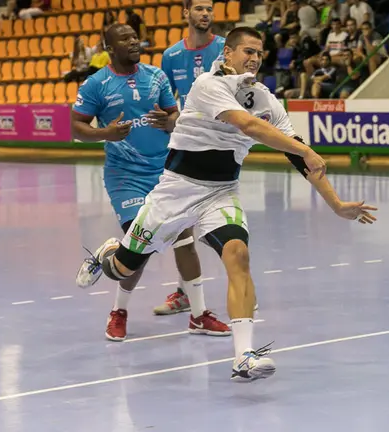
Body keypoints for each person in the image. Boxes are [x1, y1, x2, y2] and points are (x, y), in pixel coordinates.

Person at [78, 26, 378, 381]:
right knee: (123, 268)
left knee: (238, 255)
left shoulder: (266, 98)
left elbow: (298, 158)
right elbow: (247, 126)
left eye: (259, 53)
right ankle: (109, 254)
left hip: (221, 192)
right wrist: (303, 147)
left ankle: (244, 356)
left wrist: (336, 204)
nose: (254, 58)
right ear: (228, 55)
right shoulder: (209, 85)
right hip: (175, 190)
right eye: (247, 51)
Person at [72, 23, 230, 341]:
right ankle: (119, 310)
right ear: (108, 47)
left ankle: (198, 315)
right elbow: (76, 127)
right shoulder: (95, 84)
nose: (134, 41)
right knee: (139, 245)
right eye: (125, 39)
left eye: (134, 37)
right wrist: (105, 133)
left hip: (166, 172)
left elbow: (175, 118)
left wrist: (170, 122)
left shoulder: (155, 76)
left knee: (184, 239)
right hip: (125, 176)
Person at [155, 0, 226, 316]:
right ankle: (185, 292)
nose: (205, 13)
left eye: (209, 8)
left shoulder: (226, 49)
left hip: (221, 146)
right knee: (181, 222)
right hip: (185, 147)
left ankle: (242, 286)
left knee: (219, 221)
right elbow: (167, 105)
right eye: (198, 7)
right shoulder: (170, 56)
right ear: (186, 13)